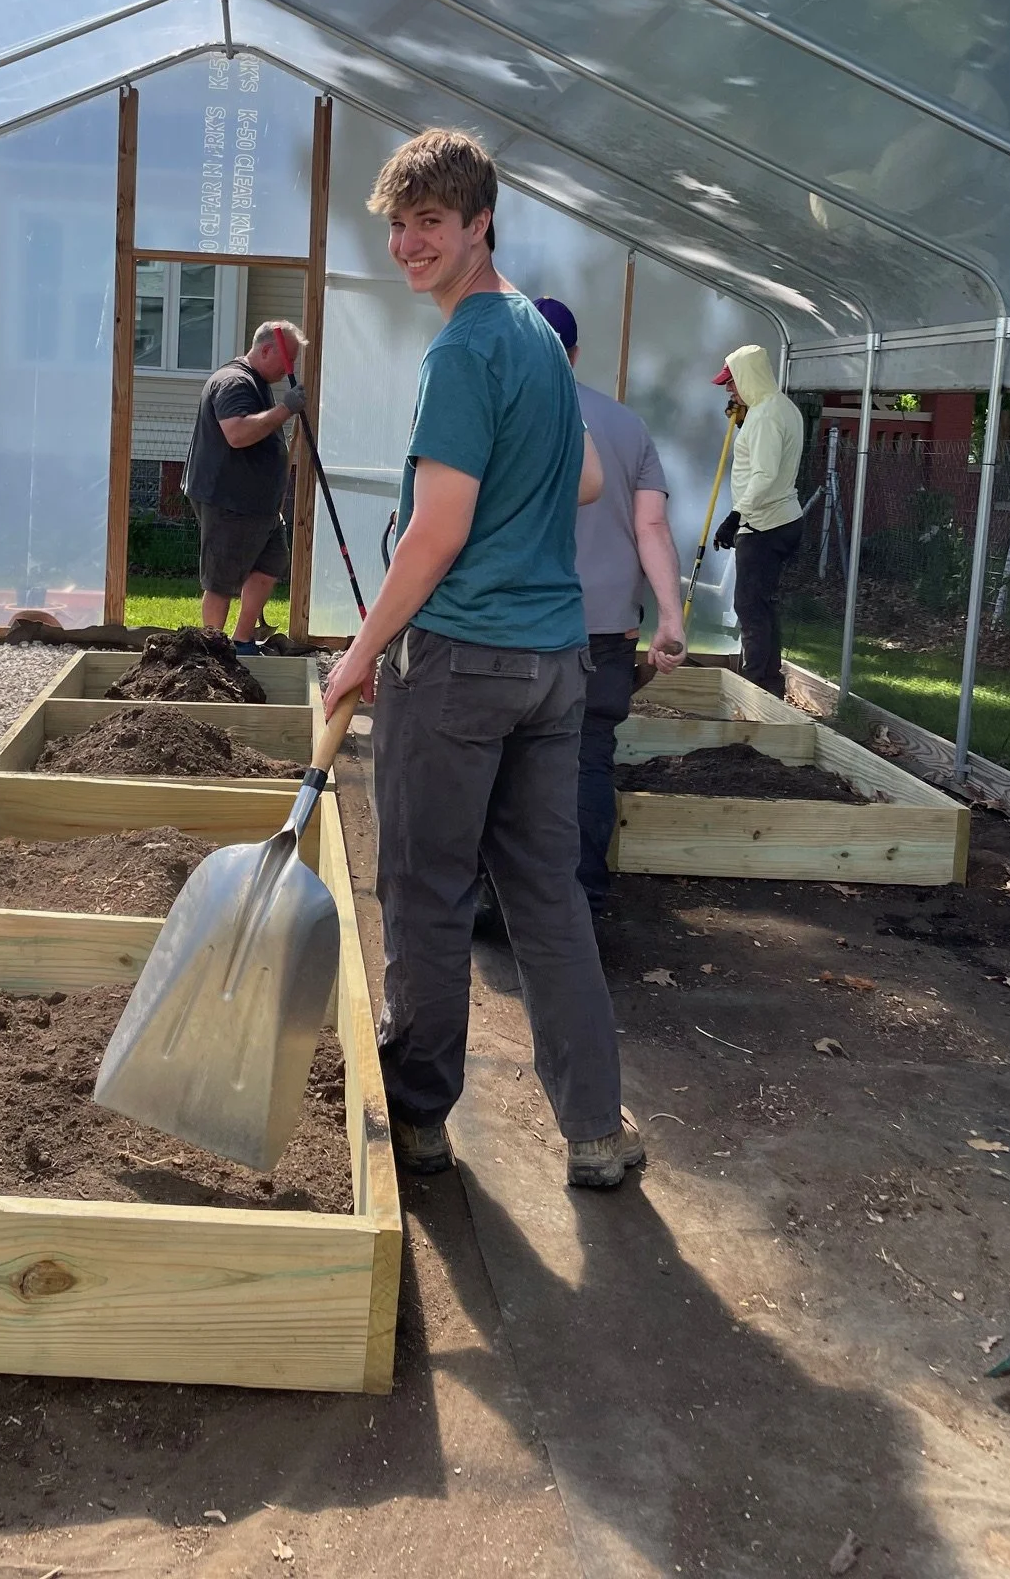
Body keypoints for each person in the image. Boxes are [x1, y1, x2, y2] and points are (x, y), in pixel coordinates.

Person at [323, 128, 645, 1192]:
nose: (410, 244)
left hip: (462, 663)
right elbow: (589, 485)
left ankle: (417, 1119)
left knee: (424, 892)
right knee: (546, 897)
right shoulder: (539, 340)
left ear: (478, 224)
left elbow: (436, 530)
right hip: (556, 664)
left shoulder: (465, 346)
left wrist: (360, 652)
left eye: (431, 223)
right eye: (399, 224)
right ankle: (597, 1130)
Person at [534, 297, 687, 913]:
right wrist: (671, 620)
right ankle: (586, 899)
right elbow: (652, 529)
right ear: (573, 354)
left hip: (526, 626)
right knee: (588, 761)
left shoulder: (510, 416)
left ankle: (511, 900)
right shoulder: (626, 425)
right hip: (607, 630)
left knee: (510, 762)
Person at [182, 321, 309, 654]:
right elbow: (236, 434)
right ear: (266, 350)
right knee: (221, 579)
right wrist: (286, 410)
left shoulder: (258, 381)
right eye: (288, 360)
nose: (290, 369)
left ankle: (242, 639)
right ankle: (210, 651)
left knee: (271, 563)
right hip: (230, 501)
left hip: (258, 505)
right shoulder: (235, 382)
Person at [710, 344, 806, 698]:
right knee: (762, 604)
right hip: (782, 519)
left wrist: (735, 517)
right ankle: (770, 683)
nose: (728, 389)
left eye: (732, 382)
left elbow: (764, 476)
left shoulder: (766, 416)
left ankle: (754, 688)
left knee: (749, 606)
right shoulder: (779, 408)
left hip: (763, 525)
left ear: (748, 377)